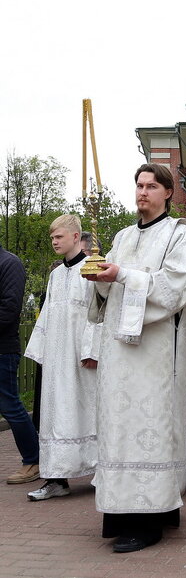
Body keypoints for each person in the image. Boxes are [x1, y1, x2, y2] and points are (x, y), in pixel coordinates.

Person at [83, 163, 186, 553]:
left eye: (151, 186)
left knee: (149, 429)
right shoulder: (121, 236)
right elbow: (106, 297)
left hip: (153, 353)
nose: (142, 192)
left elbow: (175, 287)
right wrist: (101, 280)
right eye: (138, 185)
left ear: (168, 192)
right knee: (119, 429)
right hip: (118, 353)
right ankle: (122, 514)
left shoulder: (178, 235)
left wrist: (121, 276)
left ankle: (149, 521)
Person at [24, 214, 100, 501]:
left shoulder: (91, 269)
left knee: (89, 411)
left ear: (75, 236)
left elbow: (97, 315)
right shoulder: (55, 274)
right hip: (57, 358)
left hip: (82, 358)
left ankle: (100, 471)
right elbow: (48, 315)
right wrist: (41, 350)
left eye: (59, 236)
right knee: (55, 414)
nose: (54, 241)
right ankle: (56, 479)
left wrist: (93, 350)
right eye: (53, 237)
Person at [1, 245, 39, 485]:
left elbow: (9, 309)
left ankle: (33, 461)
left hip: (2, 349)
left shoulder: (9, 263)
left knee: (10, 406)